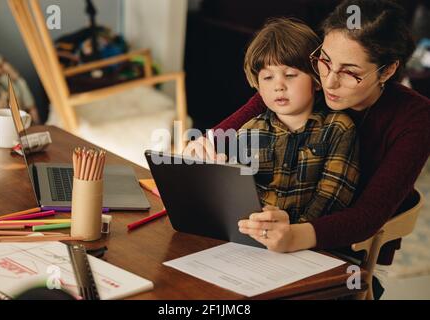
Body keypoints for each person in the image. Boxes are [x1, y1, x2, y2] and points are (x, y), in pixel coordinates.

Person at [183, 0, 430, 298]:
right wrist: (203, 147)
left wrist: (294, 235)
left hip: (349, 250)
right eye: (323, 61)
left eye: (350, 72)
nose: (328, 81)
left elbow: (368, 215)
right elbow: (236, 123)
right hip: (273, 230)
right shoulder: (310, 79)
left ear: (387, 70)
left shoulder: (416, 118)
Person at [234, 18, 359, 224]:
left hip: (308, 237)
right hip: (257, 231)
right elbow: (238, 193)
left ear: (317, 79)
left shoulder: (338, 128)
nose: (279, 86)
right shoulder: (248, 132)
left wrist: (297, 230)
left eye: (290, 75)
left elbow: (333, 196)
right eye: (268, 78)